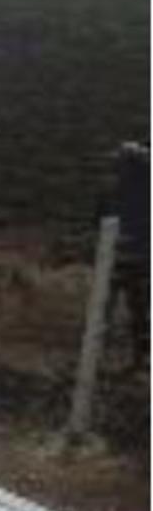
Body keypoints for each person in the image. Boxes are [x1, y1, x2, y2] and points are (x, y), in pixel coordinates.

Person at [106, 141, 149, 373]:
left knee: (138, 311)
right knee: (133, 311)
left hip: (135, 260)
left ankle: (140, 359)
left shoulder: (120, 191)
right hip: (122, 259)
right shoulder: (114, 191)